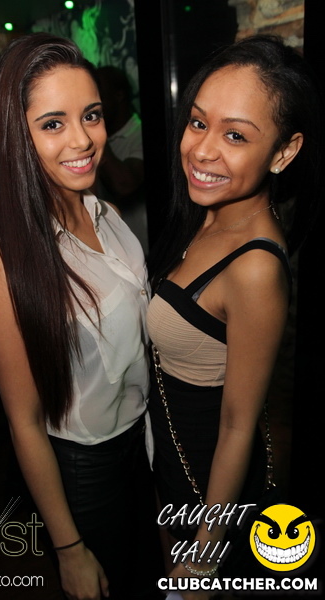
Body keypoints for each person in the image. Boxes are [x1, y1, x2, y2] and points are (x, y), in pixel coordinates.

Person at [0, 33, 163, 600]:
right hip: (88, 474)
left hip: (144, 445)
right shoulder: (12, 267)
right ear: (19, 137)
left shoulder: (107, 214)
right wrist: (68, 547)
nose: (82, 139)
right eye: (53, 123)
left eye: (92, 115)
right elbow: (25, 423)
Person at [146, 34, 322, 596]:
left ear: (284, 153)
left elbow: (237, 425)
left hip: (210, 490)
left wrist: (205, 554)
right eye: (198, 123)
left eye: (236, 135)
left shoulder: (255, 268)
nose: (202, 151)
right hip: (174, 468)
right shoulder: (209, 212)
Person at [94, 65, 148, 255]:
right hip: (109, 249)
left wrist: (94, 128)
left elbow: (123, 184)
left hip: (141, 251)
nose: (95, 102)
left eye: (100, 95)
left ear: (119, 95)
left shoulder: (140, 134)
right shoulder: (105, 137)